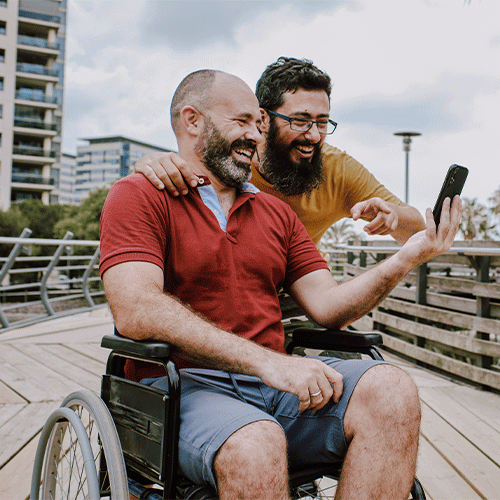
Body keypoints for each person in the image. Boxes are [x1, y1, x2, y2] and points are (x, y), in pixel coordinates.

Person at [100, 69, 461, 500]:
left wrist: (406, 258)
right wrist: (269, 363)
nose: (255, 134)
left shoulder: (276, 214)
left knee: (392, 389)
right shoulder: (138, 195)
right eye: (242, 122)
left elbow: (327, 305)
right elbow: (136, 309)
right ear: (192, 120)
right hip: (182, 389)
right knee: (257, 441)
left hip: (273, 387)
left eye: (258, 123)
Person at [133, 57, 426, 247]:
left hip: (305, 298)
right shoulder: (234, 158)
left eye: (322, 123)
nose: (313, 135)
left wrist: (394, 216)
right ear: (263, 119)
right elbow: (190, 164)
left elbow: (417, 230)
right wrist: (149, 162)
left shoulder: (336, 168)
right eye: (299, 121)